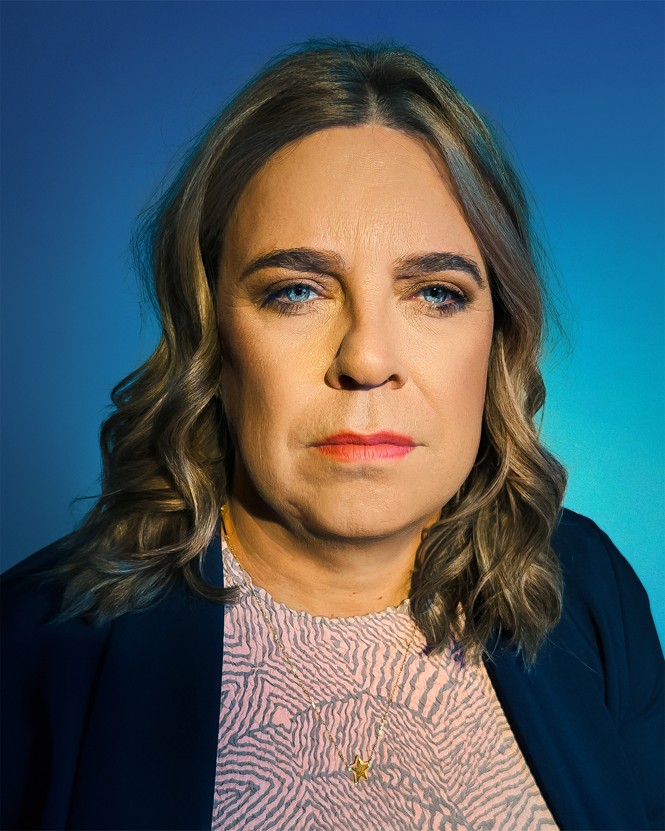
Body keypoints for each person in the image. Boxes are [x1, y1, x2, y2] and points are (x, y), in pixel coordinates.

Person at [1, 38, 663, 831]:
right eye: (295, 291)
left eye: (435, 292)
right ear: (211, 336)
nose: (366, 359)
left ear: (500, 334)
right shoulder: (31, 645)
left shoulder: (586, 583)